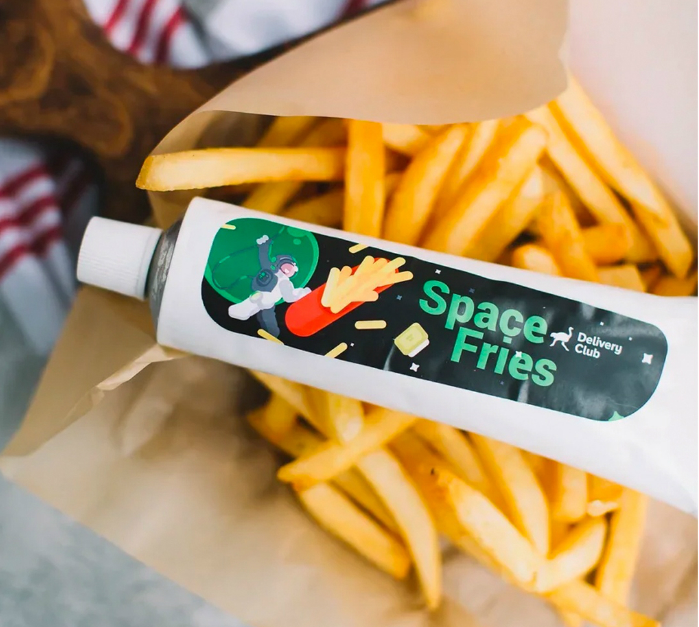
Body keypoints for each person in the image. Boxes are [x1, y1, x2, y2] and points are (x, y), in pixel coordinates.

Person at [227, 235, 310, 337]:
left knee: (267, 316)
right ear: (279, 265)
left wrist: (302, 293)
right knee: (255, 305)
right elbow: (264, 258)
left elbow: (289, 296)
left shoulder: (285, 282)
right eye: (285, 266)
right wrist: (264, 244)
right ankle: (242, 312)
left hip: (268, 301)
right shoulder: (271, 270)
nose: (287, 270)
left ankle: (272, 332)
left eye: (290, 268)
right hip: (260, 295)